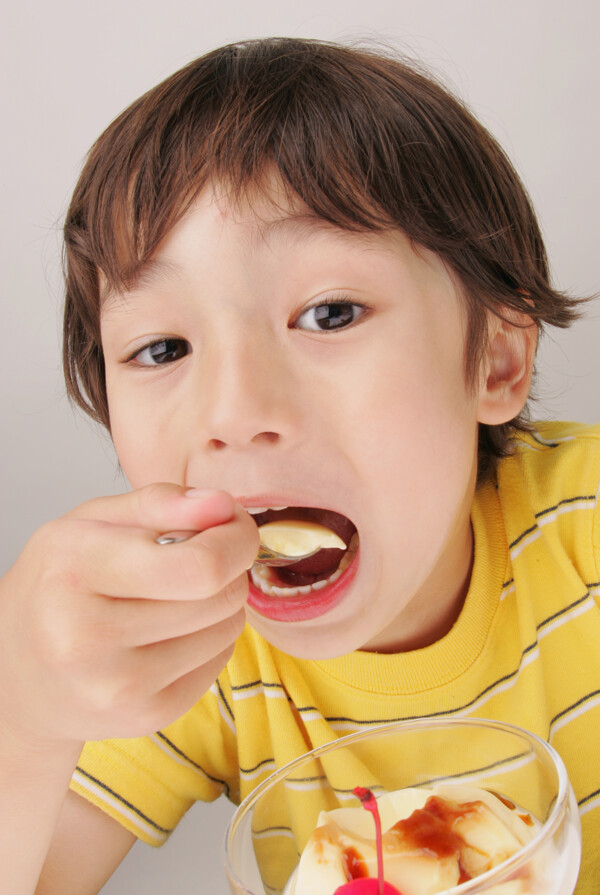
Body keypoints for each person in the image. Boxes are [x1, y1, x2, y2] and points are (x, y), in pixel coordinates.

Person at [1, 37, 598, 895]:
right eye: (163, 346)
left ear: (495, 361)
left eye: (329, 312)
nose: (235, 411)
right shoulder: (192, 656)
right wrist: (21, 716)